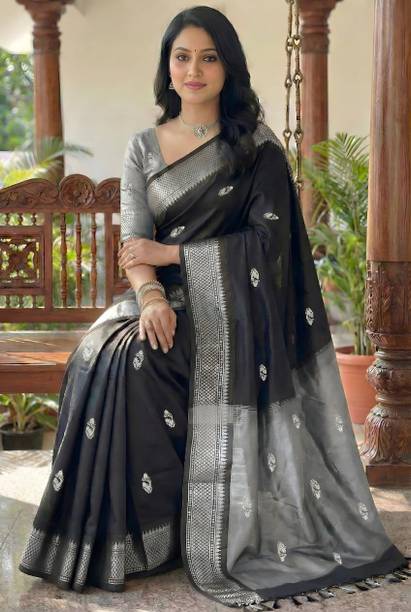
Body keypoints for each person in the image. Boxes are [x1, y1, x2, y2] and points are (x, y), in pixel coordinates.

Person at [18, 5, 409, 610]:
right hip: (157, 299)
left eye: (208, 58)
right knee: (101, 355)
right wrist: (151, 296)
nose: (194, 70)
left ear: (228, 68)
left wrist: (172, 255)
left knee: (145, 366)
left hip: (233, 309)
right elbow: (134, 242)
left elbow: (267, 244)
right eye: (182, 57)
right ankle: (124, 537)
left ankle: (181, 529)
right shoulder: (143, 146)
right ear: (167, 67)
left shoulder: (255, 150)